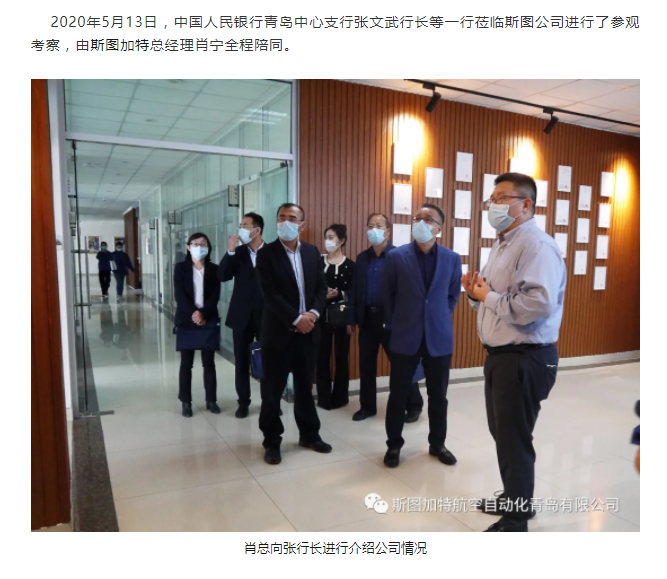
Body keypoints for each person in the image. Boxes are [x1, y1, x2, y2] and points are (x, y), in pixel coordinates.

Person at [462, 173, 566, 532]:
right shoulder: (502, 245)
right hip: (501, 356)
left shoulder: (537, 246)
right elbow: (493, 298)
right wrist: (476, 294)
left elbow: (536, 305)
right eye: (492, 198)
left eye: (502, 198)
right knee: (504, 434)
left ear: (526, 204)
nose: (493, 205)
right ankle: (514, 496)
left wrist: (486, 296)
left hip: (525, 357)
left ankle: (516, 519)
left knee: (514, 439)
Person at [382, 203, 462, 468]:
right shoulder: (396, 256)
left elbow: (452, 295)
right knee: (398, 395)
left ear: (439, 228)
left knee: (438, 396)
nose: (421, 223)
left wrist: (437, 315)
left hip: (438, 337)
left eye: (428, 219)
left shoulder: (452, 258)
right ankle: (394, 445)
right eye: (418, 218)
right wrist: (398, 323)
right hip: (405, 335)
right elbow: (388, 295)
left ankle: (438, 444)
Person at [255, 203, 331, 465]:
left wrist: (313, 314)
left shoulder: (311, 252)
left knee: (304, 388)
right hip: (278, 335)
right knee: (272, 391)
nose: (285, 222)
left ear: (302, 225)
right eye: (281, 218)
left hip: (308, 335)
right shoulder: (266, 254)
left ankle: (309, 435)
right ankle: (271, 441)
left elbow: (321, 287)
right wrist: (297, 319)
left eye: (292, 218)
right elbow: (270, 294)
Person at [348, 213, 424, 422]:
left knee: (402, 365)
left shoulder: (399, 256)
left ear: (388, 232)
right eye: (370, 225)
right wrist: (351, 319)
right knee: (366, 365)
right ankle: (367, 407)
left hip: (392, 320)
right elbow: (355, 290)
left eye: (379, 226)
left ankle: (414, 405)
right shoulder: (362, 258)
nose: (374, 229)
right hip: (367, 319)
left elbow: (407, 290)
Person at [219, 212, 266, 418]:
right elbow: (222, 276)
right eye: (241, 225)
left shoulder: (272, 252)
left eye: (245, 225)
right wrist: (229, 251)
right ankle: (243, 402)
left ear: (257, 229)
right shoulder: (237, 253)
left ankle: (269, 401)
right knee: (241, 361)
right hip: (241, 315)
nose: (241, 229)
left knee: (268, 360)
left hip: (266, 316)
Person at [173, 233, 221, 418]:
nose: (199, 247)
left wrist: (203, 313)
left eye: (203, 244)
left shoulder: (214, 269)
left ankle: (211, 400)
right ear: (188, 247)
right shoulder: (181, 268)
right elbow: (179, 295)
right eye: (195, 244)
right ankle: (186, 401)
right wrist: (194, 313)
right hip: (187, 320)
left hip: (208, 319)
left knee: (209, 363)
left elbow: (215, 295)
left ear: (208, 248)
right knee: (186, 363)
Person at [316, 224, 356, 410]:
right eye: (326, 237)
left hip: (342, 317)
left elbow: (354, 292)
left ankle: (340, 396)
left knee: (342, 356)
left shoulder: (350, 266)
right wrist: (322, 296)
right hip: (320, 317)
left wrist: (339, 293)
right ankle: (323, 397)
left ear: (341, 241)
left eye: (331, 237)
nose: (328, 241)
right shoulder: (318, 262)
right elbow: (310, 287)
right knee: (321, 357)